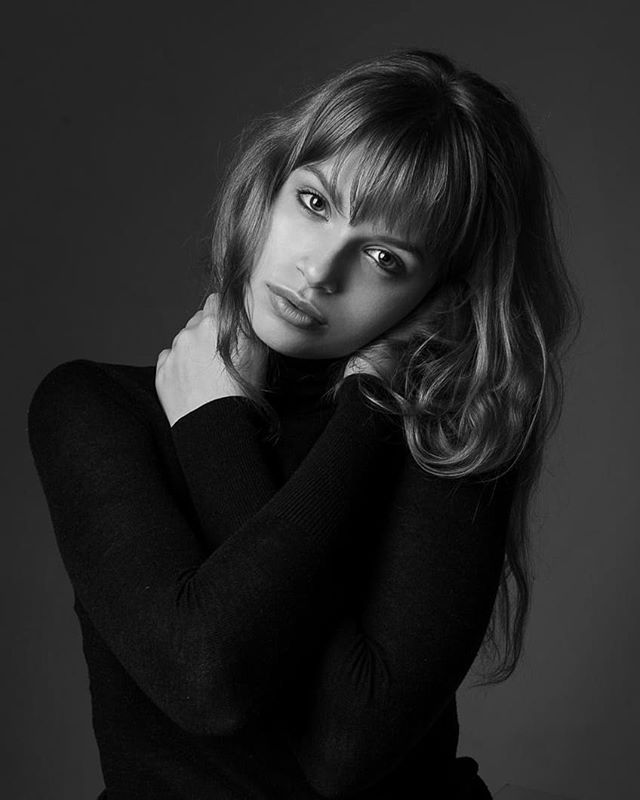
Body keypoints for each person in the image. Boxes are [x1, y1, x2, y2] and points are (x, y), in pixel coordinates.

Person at [27, 48, 582, 799]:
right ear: (270, 185)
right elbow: (206, 677)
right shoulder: (95, 410)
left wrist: (355, 415)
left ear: (441, 295)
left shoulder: (448, 441)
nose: (320, 271)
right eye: (315, 203)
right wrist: (216, 422)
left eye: (384, 257)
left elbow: (346, 749)